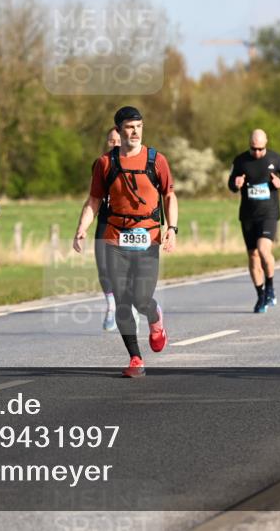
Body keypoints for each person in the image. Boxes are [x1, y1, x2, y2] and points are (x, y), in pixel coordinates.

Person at [74, 107, 178, 378]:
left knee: (141, 298)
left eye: (139, 126)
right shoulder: (105, 163)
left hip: (148, 237)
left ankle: (155, 319)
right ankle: (135, 357)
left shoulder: (157, 160)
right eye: (129, 127)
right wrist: (82, 228)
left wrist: (172, 228)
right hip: (114, 238)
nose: (134, 132)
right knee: (121, 300)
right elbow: (94, 200)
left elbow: (169, 195)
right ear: (119, 130)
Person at [228, 129, 280, 313]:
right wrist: (236, 183)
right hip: (248, 215)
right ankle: (260, 294)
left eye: (260, 149)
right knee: (253, 256)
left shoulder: (276, 159)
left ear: (266, 143)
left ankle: (270, 286)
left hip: (269, 213)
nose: (257, 153)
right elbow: (231, 183)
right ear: (249, 144)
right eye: (253, 149)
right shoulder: (240, 161)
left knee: (264, 250)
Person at [95, 126, 122, 331]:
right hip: (104, 220)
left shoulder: (134, 163)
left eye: (117, 140)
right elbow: (94, 196)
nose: (114, 144)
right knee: (103, 266)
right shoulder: (100, 163)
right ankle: (111, 305)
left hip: (126, 223)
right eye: (111, 141)